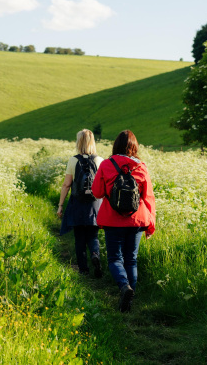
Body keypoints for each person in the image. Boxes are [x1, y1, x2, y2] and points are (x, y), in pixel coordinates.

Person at [92, 130, 156, 312]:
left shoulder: (106, 164)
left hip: (112, 220)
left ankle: (123, 287)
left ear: (116, 145)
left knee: (114, 258)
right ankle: (130, 300)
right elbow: (148, 197)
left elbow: (96, 192)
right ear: (134, 147)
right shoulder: (141, 167)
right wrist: (151, 226)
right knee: (131, 260)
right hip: (137, 220)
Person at [57, 129, 104, 277]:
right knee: (93, 236)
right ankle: (95, 254)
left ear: (79, 142)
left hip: (77, 203)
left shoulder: (73, 160)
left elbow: (66, 185)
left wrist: (60, 206)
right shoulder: (100, 160)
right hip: (95, 204)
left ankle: (83, 270)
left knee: (79, 238)